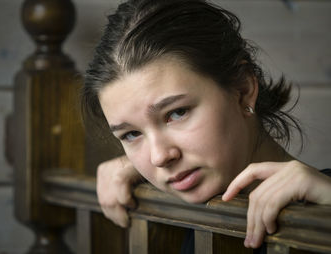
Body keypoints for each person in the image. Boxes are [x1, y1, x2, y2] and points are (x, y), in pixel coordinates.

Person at [82, 0, 331, 250]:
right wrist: (133, 168)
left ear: (243, 90)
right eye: (132, 134)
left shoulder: (324, 195)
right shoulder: (191, 213)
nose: (159, 157)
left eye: (177, 113)